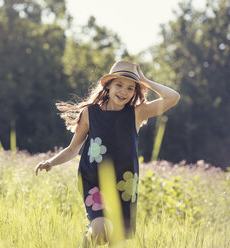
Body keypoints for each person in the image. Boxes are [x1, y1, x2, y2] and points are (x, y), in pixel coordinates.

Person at [35, 61, 180, 246]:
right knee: (100, 231)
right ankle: (88, 237)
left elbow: (172, 97)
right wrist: (51, 162)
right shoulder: (90, 113)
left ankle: (88, 239)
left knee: (115, 240)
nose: (123, 92)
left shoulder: (137, 113)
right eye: (119, 85)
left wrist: (144, 80)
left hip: (124, 184)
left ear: (135, 92)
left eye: (130, 88)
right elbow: (73, 149)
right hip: (94, 181)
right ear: (108, 86)